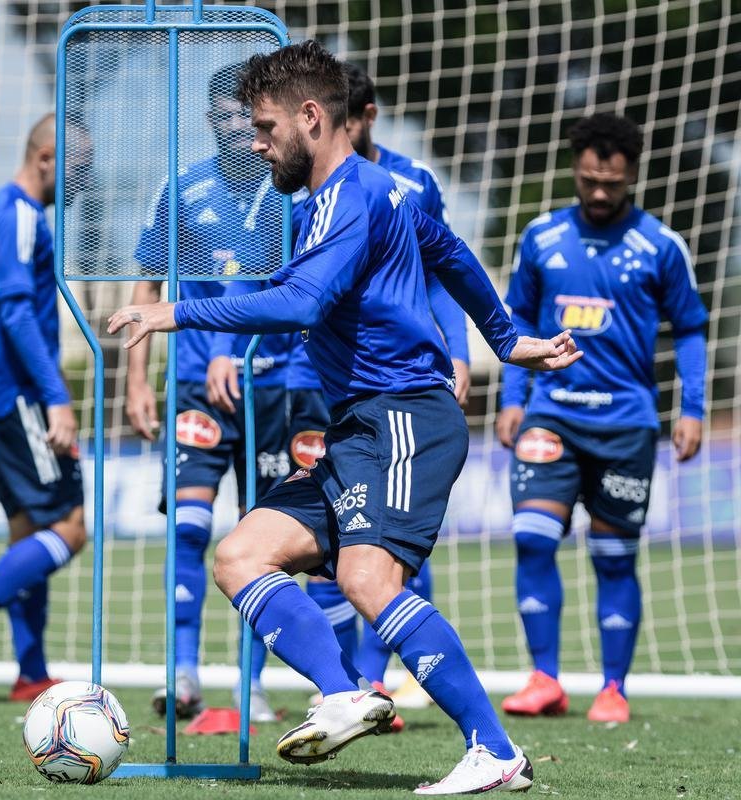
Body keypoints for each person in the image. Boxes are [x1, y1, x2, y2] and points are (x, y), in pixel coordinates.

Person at [108, 41, 581, 795]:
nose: (257, 142)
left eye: (265, 127)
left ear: (310, 116)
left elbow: (301, 302)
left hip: (402, 417)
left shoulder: (349, 201)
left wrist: (170, 312)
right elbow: (451, 252)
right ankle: (344, 693)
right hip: (362, 426)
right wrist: (505, 338)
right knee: (240, 555)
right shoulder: (374, 190)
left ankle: (493, 750)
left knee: (365, 577)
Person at [496, 112, 708, 724]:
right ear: (576, 169)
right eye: (588, 179)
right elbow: (517, 322)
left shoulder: (662, 246)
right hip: (550, 416)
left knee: (613, 558)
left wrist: (690, 409)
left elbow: (691, 328)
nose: (597, 192)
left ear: (632, 176)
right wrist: (513, 397)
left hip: (627, 424)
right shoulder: (540, 237)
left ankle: (613, 687)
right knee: (531, 540)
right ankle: (543, 679)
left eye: (610, 184)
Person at [291, 61, 471, 715]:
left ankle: (369, 680)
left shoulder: (407, 182)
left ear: (365, 118)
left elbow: (443, 263)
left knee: (380, 554)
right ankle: (342, 684)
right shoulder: (306, 190)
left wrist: (463, 352)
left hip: (398, 384)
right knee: (329, 546)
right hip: (333, 385)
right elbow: (295, 288)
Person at [126, 63, 290, 723]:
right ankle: (184, 672)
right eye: (221, 114)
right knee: (189, 528)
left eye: (242, 115)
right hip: (193, 384)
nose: (232, 125)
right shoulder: (181, 186)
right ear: (206, 120)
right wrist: (136, 380)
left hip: (273, 385)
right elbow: (147, 286)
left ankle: (251, 686)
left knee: (262, 541)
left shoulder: (288, 187)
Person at [0, 113, 92, 703]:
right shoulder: (20, 216)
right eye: (78, 167)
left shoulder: (0, 208)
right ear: (46, 157)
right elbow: (16, 311)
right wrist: (56, 397)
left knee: (28, 530)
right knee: (69, 528)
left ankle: (30, 671)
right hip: (17, 394)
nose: (82, 181)